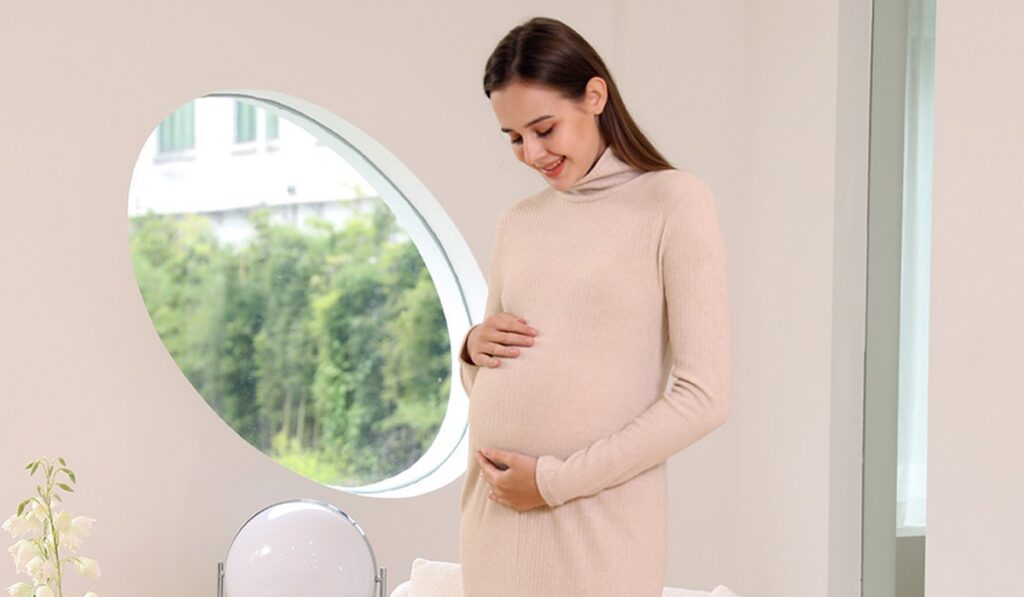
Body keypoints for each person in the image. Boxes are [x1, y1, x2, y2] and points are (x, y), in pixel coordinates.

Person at [457, 16, 732, 597]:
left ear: (595, 95)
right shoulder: (519, 223)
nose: (531, 153)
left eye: (543, 128)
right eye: (513, 137)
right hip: (493, 525)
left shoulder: (674, 202)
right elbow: (488, 377)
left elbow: (705, 397)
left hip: (595, 531)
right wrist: (472, 349)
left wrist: (553, 482)